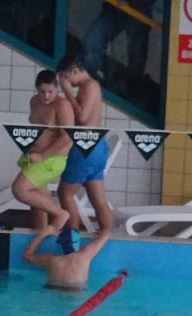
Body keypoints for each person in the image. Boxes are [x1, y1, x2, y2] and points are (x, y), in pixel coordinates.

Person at [56, 56, 113, 235]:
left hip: (86, 147)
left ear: (75, 71)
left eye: (66, 78)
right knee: (98, 200)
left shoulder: (90, 86)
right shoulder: (87, 87)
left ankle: (72, 239)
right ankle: (106, 239)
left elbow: (82, 117)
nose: (66, 83)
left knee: (65, 194)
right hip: (96, 146)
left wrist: (67, 93)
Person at [11, 70, 72, 232]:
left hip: (51, 159)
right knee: (38, 203)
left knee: (19, 189)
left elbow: (66, 137)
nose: (46, 96)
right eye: (42, 91)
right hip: (33, 156)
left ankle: (60, 214)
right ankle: (41, 236)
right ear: (36, 89)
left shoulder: (62, 105)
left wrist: (42, 155)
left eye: (50, 92)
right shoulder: (34, 101)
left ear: (57, 88)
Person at [81, 0, 157, 93]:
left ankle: (129, 92)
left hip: (139, 12)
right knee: (91, 43)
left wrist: (134, 4)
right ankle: (86, 82)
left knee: (136, 62)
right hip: (116, 7)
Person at [21, 226, 112, 291]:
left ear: (59, 243)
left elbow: (26, 255)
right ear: (77, 243)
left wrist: (42, 234)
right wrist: (100, 232)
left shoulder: (50, 260)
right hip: (75, 291)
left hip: (51, 289)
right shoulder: (84, 255)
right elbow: (107, 233)